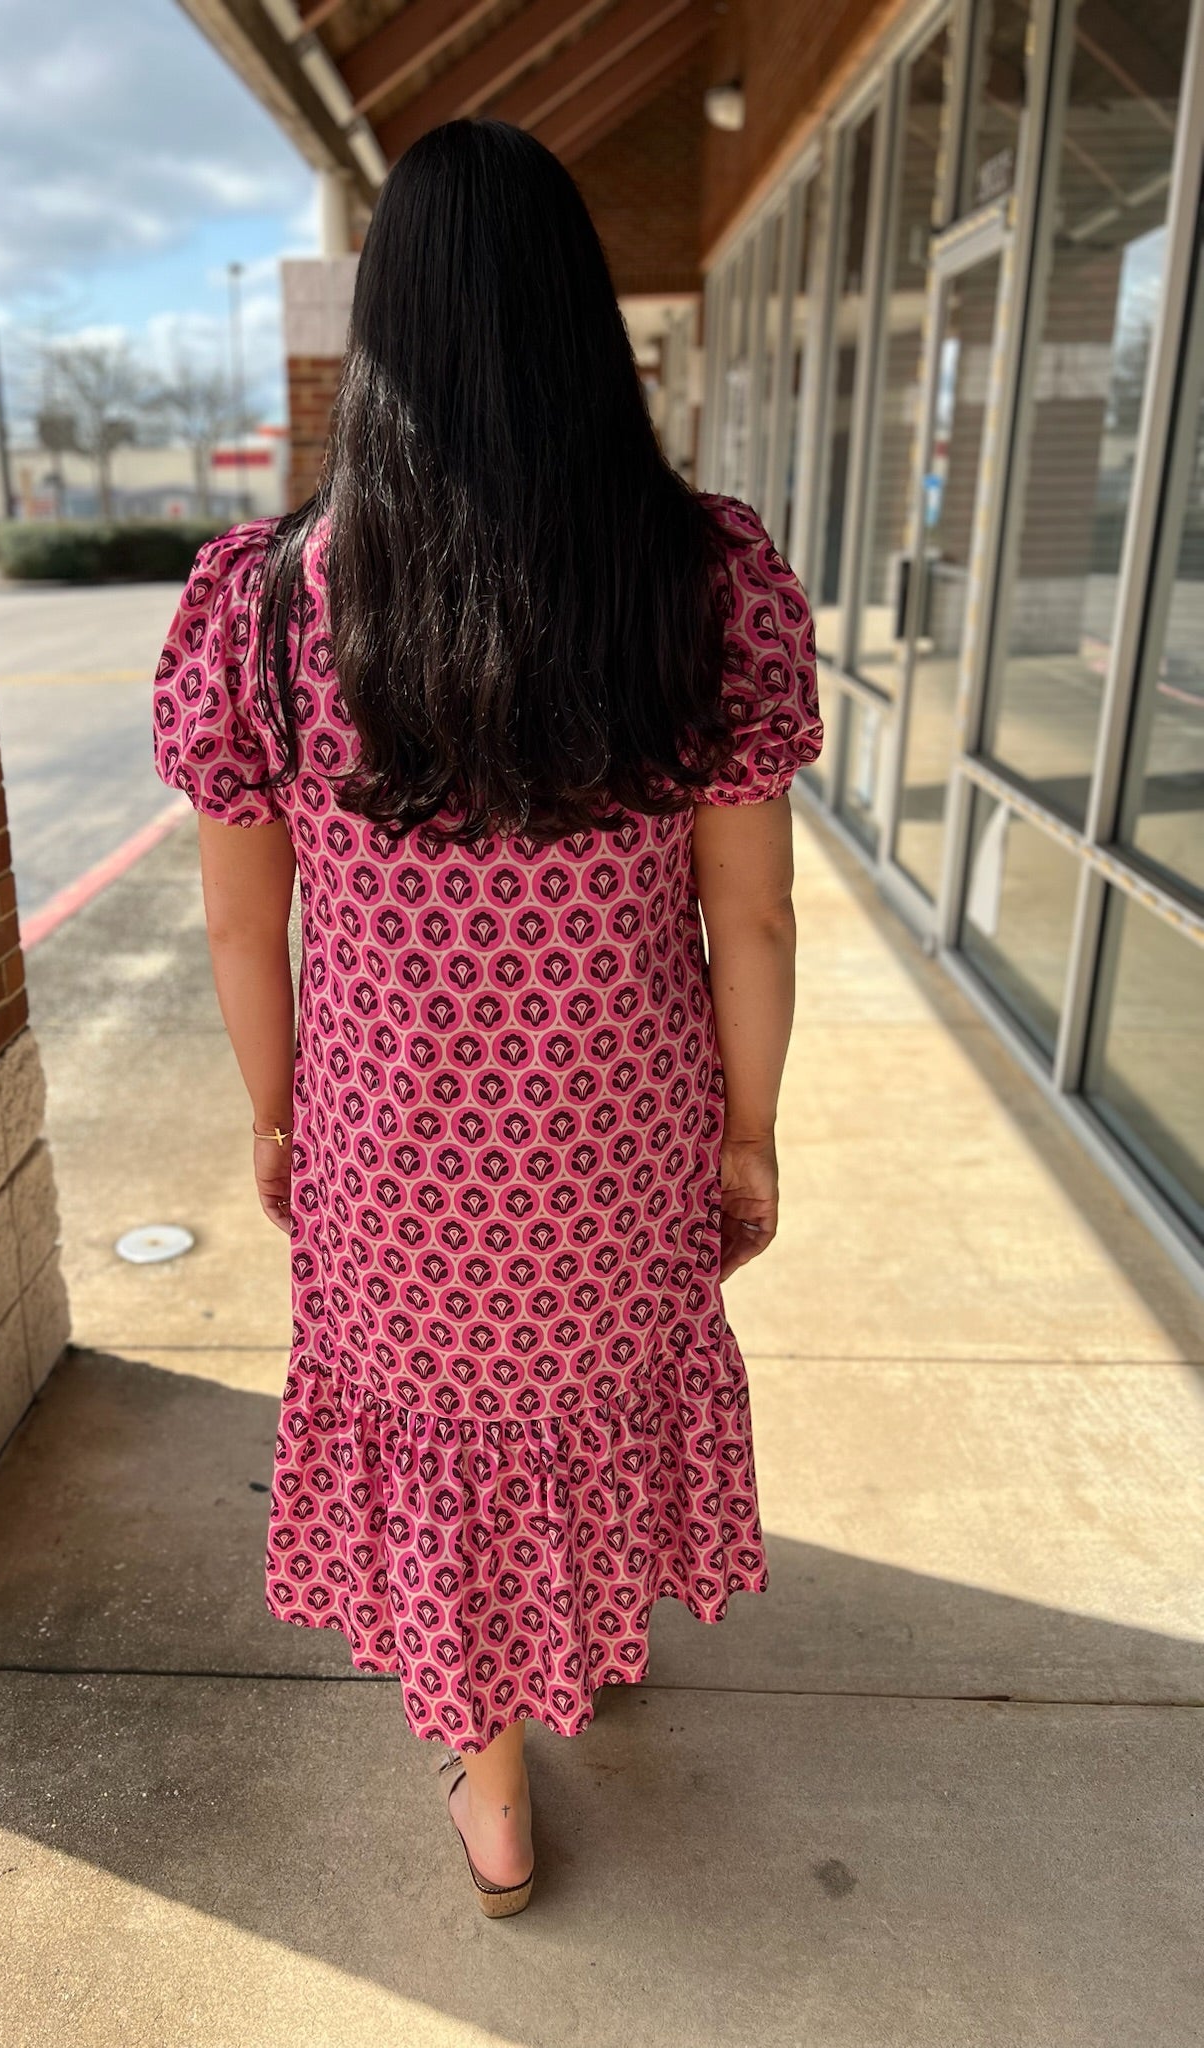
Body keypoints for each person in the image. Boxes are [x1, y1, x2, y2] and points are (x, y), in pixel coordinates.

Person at [152, 119, 822, 1919]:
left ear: (392, 332)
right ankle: (586, 1641)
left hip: (396, 1155)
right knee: (587, 1403)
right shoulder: (701, 580)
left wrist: (284, 1116)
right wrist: (750, 1127)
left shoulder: (274, 605)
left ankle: (497, 1795)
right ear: (581, 323)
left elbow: (241, 927)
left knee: (448, 1443)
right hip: (620, 1137)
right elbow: (746, 911)